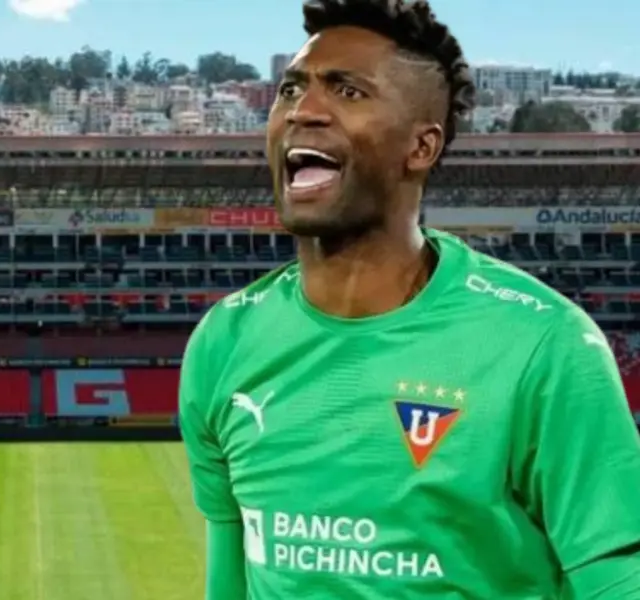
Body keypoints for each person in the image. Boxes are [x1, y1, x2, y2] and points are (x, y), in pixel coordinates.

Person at [178, 0, 640, 598]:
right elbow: (229, 583)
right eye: (291, 89)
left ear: (421, 147)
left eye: (346, 92)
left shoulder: (543, 345)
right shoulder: (224, 343)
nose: (304, 111)